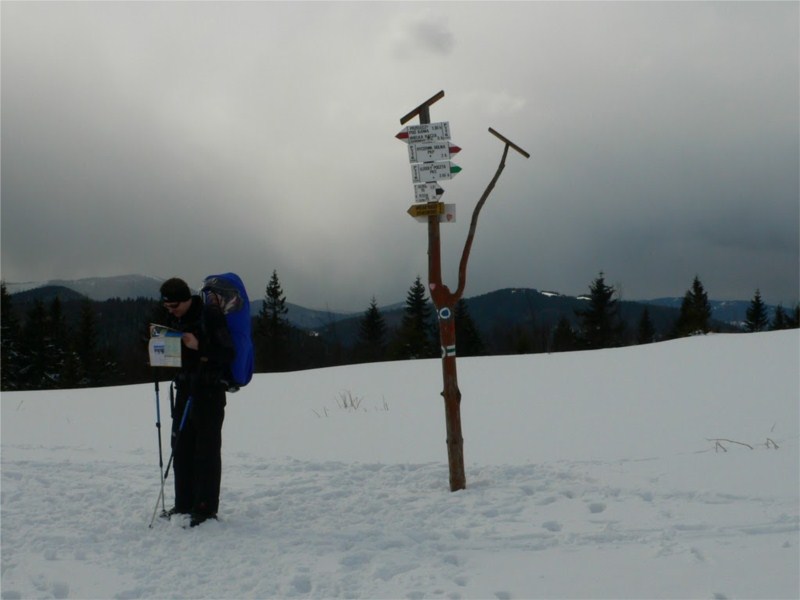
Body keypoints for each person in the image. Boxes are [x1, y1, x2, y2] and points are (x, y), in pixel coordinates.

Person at [159, 277, 235, 527]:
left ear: (186, 299)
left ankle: (204, 507)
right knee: (181, 447)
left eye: (174, 306)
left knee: (206, 451)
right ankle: (183, 504)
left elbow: (227, 353)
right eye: (167, 307)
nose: (170, 311)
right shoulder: (174, 318)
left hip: (209, 392)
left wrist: (199, 345)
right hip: (183, 387)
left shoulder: (210, 315)